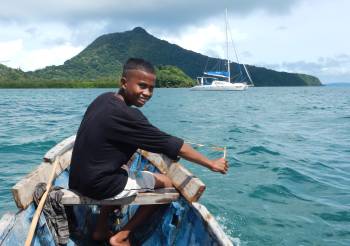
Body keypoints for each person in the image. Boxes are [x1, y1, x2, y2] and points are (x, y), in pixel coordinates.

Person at [69, 58, 228, 246]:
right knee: (169, 183)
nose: (147, 93)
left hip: (78, 179)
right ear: (123, 83)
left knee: (123, 169)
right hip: (98, 185)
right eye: (142, 86)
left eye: (151, 88)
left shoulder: (103, 99)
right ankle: (122, 236)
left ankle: (100, 229)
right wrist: (211, 163)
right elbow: (172, 145)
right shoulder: (128, 116)